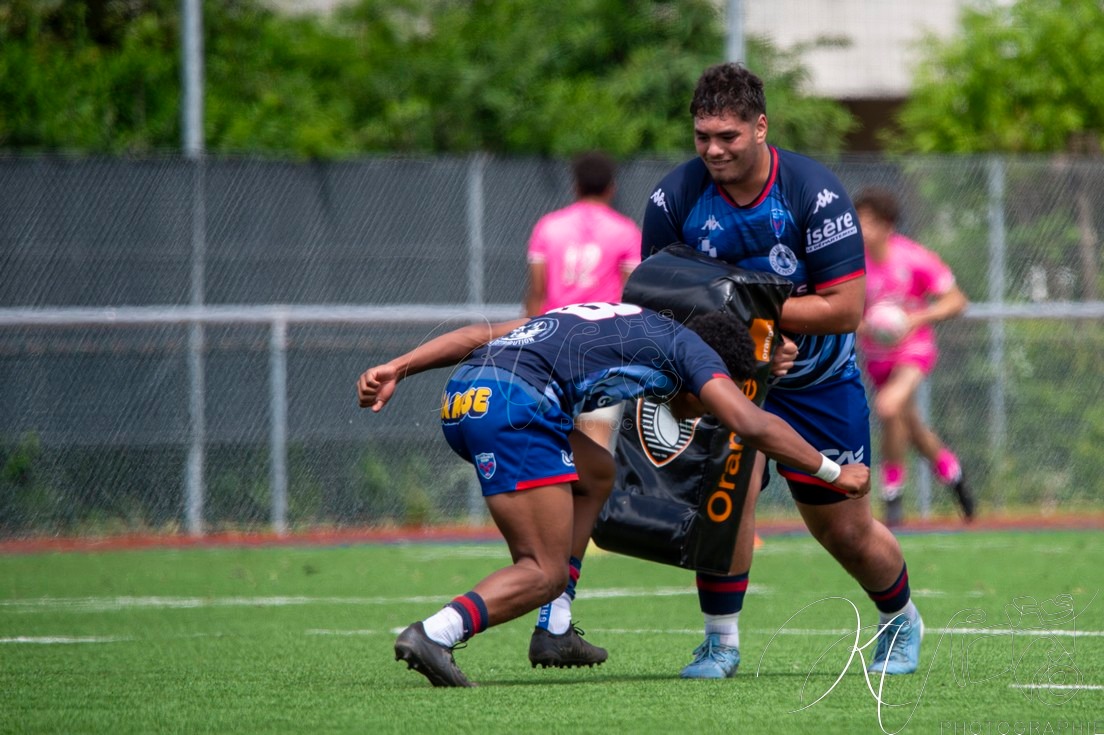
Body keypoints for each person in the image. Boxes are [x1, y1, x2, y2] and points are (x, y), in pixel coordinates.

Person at [547, 62, 926, 679]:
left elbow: (846, 308)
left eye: (728, 136)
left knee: (845, 531)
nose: (715, 149)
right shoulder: (674, 199)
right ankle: (720, 643)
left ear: (761, 126)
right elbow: (660, 304)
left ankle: (901, 616)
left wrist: (761, 322)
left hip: (817, 382)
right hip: (722, 376)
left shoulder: (814, 192)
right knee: (724, 497)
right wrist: (739, 341)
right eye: (703, 137)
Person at [356, 302, 870, 687]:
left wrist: (395, 368)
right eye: (715, 396)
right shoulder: (692, 351)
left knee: (597, 470)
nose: (708, 412)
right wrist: (833, 473)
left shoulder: (608, 317)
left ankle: (554, 629)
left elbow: (477, 335)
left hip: (466, 397)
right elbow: (750, 422)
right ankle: (436, 633)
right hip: (515, 406)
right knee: (542, 569)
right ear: (713, 372)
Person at [521, 153, 641, 667]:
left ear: (574, 182)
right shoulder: (623, 229)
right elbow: (635, 291)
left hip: (552, 344)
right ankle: (572, 546)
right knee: (594, 454)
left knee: (559, 448)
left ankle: (554, 545)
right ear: (612, 185)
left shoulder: (549, 226)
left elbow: (535, 293)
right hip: (602, 346)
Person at [853, 186, 976, 527]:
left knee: (889, 407)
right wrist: (866, 325)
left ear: (887, 225)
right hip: (877, 359)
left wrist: (913, 319)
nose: (859, 228)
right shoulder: (852, 265)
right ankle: (952, 473)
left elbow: (956, 301)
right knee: (911, 426)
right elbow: (846, 310)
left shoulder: (913, 258)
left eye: (867, 222)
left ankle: (892, 494)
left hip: (913, 352)